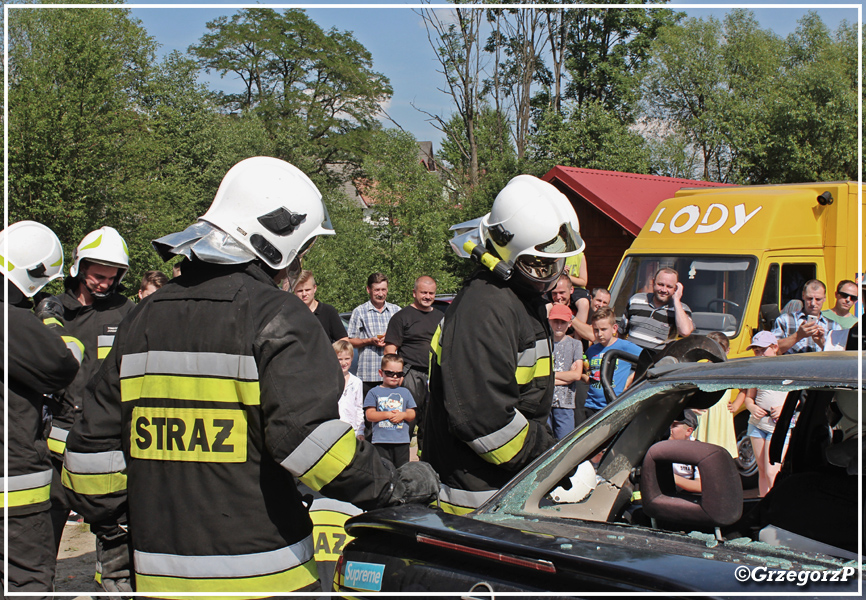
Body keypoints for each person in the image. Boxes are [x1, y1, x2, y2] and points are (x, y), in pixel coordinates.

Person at [61, 156, 438, 595]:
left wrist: (116, 530)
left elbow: (90, 457)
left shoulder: (141, 317)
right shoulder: (280, 317)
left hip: (156, 575)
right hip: (264, 573)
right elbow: (312, 445)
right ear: (280, 242)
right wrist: (392, 484)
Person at [424, 174, 584, 514]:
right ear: (511, 255)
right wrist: (554, 461)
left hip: (508, 486)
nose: (552, 273)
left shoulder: (517, 299)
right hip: (477, 502)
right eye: (539, 265)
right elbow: (485, 422)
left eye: (555, 263)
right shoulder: (485, 310)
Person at [34, 225, 134, 589]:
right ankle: (38, 586)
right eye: (97, 275)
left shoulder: (126, 312)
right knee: (47, 521)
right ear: (79, 267)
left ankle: (110, 586)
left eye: (112, 277)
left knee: (114, 523)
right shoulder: (54, 310)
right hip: (57, 440)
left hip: (107, 441)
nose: (104, 284)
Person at [1, 221, 80, 596]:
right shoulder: (9, 320)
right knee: (25, 584)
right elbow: (61, 364)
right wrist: (51, 322)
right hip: (14, 494)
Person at [383, 275, 442, 432]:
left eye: (431, 293)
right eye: (424, 292)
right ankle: (401, 455)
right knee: (406, 420)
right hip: (410, 374)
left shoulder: (441, 318)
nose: (427, 297)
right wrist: (396, 375)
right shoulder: (402, 317)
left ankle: (426, 455)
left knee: (431, 422)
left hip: (434, 374)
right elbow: (390, 350)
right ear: (414, 293)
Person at [735, 330, 789, 497]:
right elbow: (749, 398)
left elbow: (798, 398)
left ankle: (774, 506)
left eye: (762, 349)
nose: (759, 354)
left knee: (773, 471)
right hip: (757, 425)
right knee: (763, 471)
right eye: (756, 350)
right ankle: (762, 504)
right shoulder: (757, 371)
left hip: (778, 426)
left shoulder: (787, 370)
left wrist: (784, 409)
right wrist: (751, 407)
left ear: (774, 347)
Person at [581, 307, 642, 417]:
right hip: (592, 405)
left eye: (604, 329)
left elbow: (648, 361)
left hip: (615, 404)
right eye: (596, 330)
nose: (599, 334)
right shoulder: (592, 350)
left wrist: (630, 379)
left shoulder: (625, 347)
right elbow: (588, 373)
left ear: (614, 328)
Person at [347, 273, 400, 397]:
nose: (380, 294)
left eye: (383, 290)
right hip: (368, 373)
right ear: (368, 290)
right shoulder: (359, 312)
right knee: (368, 412)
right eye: (377, 290)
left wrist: (391, 339)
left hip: (392, 374)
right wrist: (369, 341)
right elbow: (350, 341)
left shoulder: (396, 310)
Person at [621, 267, 693, 353]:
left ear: (675, 288)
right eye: (660, 284)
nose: (663, 290)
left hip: (655, 364)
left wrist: (677, 300)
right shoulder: (635, 300)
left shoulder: (681, 309)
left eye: (669, 286)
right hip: (627, 359)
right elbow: (621, 332)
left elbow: (685, 331)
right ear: (653, 282)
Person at [364, 354, 417, 469]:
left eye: (399, 374)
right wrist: (387, 414)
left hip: (401, 441)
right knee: (383, 469)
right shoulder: (374, 392)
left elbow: (412, 413)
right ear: (380, 373)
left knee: (402, 469)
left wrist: (403, 415)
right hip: (380, 441)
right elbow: (369, 415)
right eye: (389, 373)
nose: (394, 376)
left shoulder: (405, 392)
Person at [695, 332, 738, 459]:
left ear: (728, 351)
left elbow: (745, 389)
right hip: (704, 414)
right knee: (700, 452)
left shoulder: (731, 370)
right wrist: (692, 407)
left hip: (721, 415)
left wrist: (736, 404)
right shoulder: (700, 368)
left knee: (720, 455)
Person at [772, 279, 841, 354]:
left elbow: (839, 357)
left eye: (818, 299)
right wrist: (798, 335)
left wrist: (822, 343)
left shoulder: (834, 326)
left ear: (824, 298)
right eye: (809, 298)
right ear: (803, 295)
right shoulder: (785, 320)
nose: (813, 303)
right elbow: (772, 350)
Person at [548, 304, 583, 439]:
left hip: (566, 403)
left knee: (564, 442)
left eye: (563, 322)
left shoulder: (576, 344)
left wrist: (549, 378)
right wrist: (566, 377)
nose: (558, 326)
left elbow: (576, 375)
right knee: (545, 443)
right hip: (545, 402)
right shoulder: (545, 342)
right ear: (549, 321)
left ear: (569, 324)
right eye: (555, 321)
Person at [290, 269, 349, 343]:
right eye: (300, 291)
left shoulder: (328, 311)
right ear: (294, 291)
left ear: (315, 288)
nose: (304, 294)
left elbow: (344, 341)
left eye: (307, 290)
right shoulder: (291, 314)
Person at [334, 339, 364, 440]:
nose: (343, 363)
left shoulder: (356, 382)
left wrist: (360, 431)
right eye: (339, 359)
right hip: (334, 426)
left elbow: (359, 407)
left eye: (347, 359)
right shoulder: (329, 381)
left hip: (352, 428)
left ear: (352, 358)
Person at [669, 410, 701, 494]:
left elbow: (700, 485)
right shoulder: (660, 444)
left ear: (689, 431)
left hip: (687, 496)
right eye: (669, 424)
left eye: (674, 426)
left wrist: (670, 477)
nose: (669, 429)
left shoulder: (698, 450)